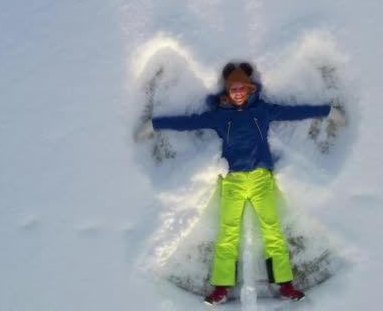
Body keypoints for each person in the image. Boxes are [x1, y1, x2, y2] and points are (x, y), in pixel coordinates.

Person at [136, 62, 345, 305]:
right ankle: (222, 288)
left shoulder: (263, 110)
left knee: (273, 232)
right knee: (228, 235)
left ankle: (285, 285)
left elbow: (295, 112)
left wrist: (328, 111)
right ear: (227, 91)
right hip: (233, 181)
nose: (237, 92)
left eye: (241, 88)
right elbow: (188, 123)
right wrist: (154, 125)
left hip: (260, 180)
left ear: (249, 88)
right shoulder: (219, 116)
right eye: (232, 88)